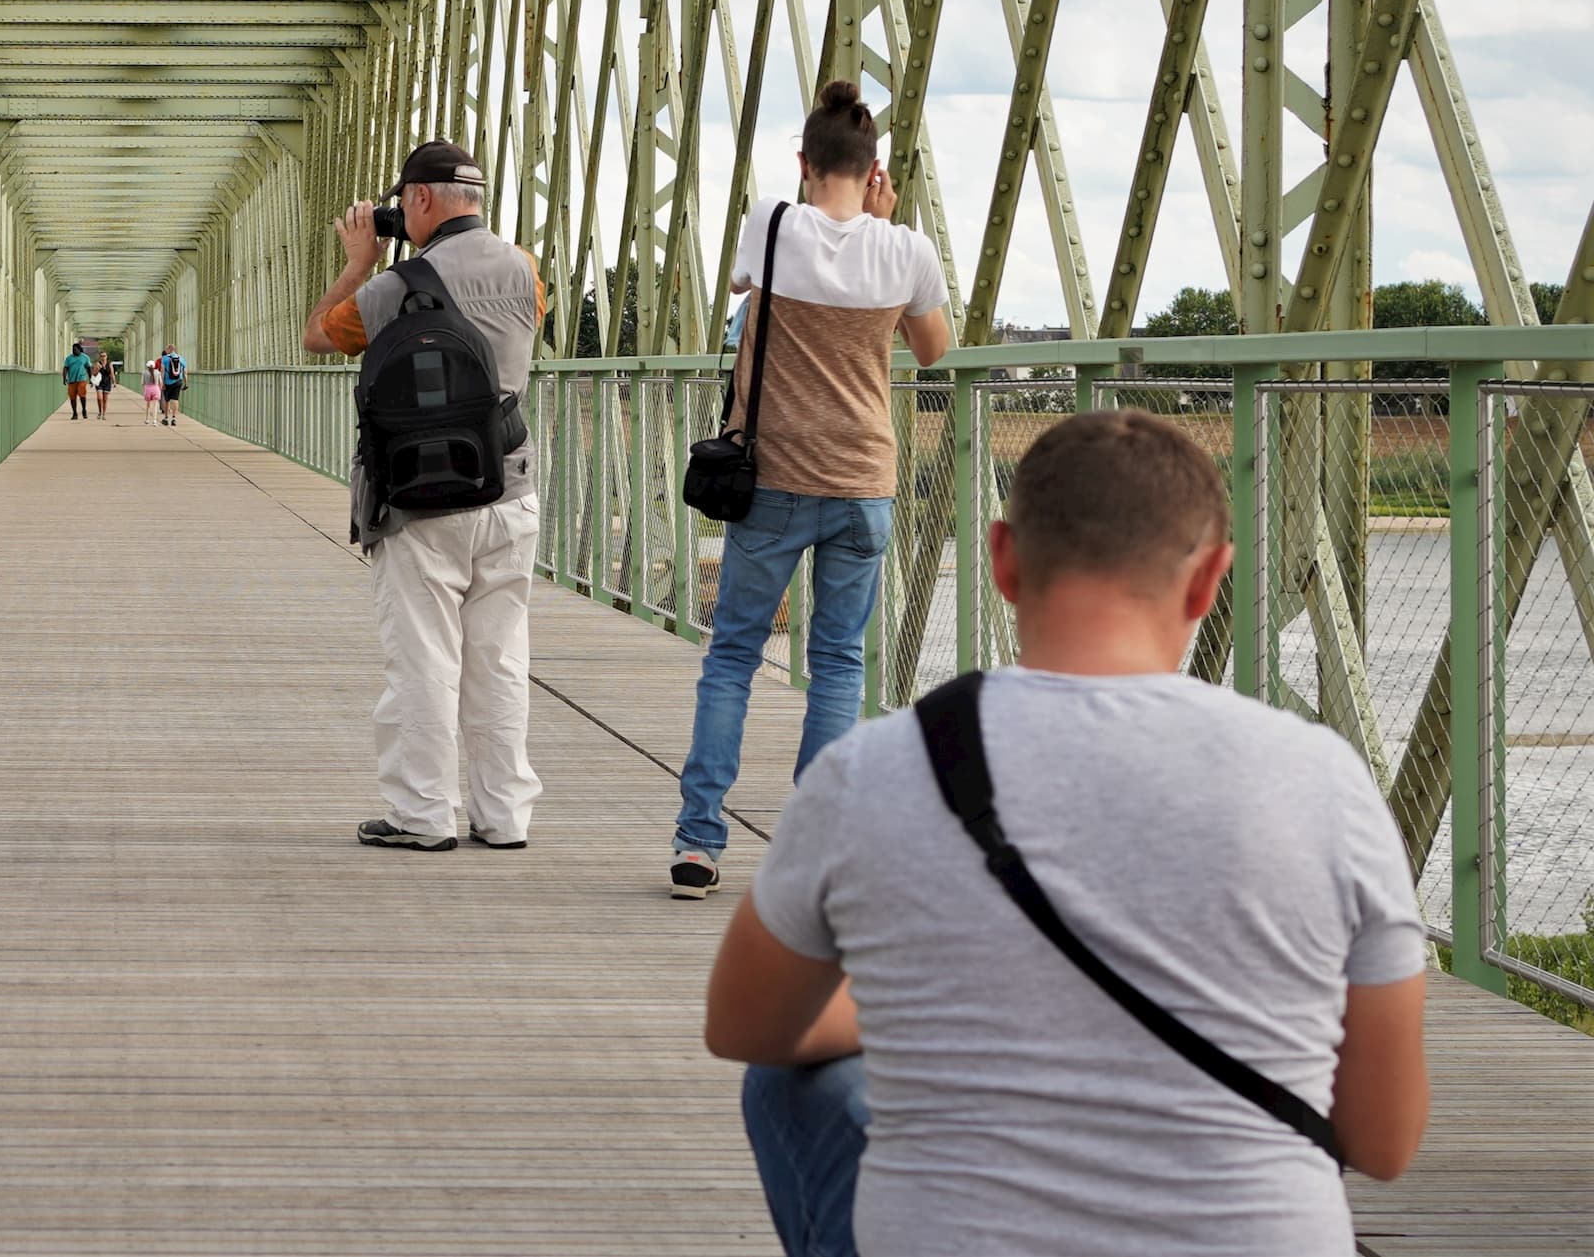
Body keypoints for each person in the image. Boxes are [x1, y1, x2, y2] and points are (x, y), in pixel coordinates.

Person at [705, 410, 1430, 1257]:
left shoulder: (874, 768)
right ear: (1208, 583)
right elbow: (1384, 1142)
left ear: (1003, 559)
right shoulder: (1324, 778)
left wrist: (919, 1007)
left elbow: (743, 1025)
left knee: (789, 1080)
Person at [672, 81, 952, 901]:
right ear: (874, 170)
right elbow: (933, 350)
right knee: (837, 664)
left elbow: (736, 294)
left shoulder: (773, 223)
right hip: (863, 481)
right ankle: (814, 848)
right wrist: (886, 223)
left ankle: (698, 842)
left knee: (731, 656)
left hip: (773, 481)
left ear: (804, 162)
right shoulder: (907, 250)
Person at [301, 140, 547, 852]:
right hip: (508, 486)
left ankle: (422, 813)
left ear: (419, 200)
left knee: (424, 659)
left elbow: (319, 335)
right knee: (499, 658)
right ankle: (503, 816)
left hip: (420, 500)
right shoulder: (525, 270)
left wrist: (357, 261)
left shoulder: (392, 287)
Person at [62, 341, 93, 420]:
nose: (73, 351)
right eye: (72, 349)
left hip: (82, 379)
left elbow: (89, 368)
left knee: (82, 395)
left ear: (79, 349)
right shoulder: (69, 358)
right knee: (72, 397)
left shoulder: (85, 357)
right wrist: (64, 377)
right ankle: (75, 413)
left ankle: (83, 410)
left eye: (75, 349)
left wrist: (91, 378)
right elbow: (65, 368)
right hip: (72, 380)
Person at [158, 345, 187, 425]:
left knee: (167, 400)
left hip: (167, 382)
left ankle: (166, 418)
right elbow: (185, 372)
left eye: (167, 348)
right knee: (175, 400)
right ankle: (174, 418)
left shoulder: (165, 358)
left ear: (169, 349)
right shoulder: (181, 358)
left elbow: (162, 371)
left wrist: (162, 382)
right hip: (178, 381)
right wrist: (186, 383)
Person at [93, 352, 115, 420]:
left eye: (104, 356)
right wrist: (97, 369)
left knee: (105, 400)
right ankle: (100, 412)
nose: (103, 357)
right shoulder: (97, 364)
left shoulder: (109, 364)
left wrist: (114, 382)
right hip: (99, 382)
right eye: (101, 356)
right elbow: (94, 374)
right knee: (100, 398)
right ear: (100, 357)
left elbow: (112, 373)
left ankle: (104, 414)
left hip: (107, 383)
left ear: (106, 356)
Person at [142, 358, 164, 425]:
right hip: (156, 389)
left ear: (147, 366)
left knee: (148, 405)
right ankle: (154, 420)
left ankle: (147, 419)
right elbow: (161, 382)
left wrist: (145, 388)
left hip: (147, 388)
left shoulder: (144, 372)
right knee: (155, 405)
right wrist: (159, 389)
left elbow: (142, 382)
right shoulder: (157, 372)